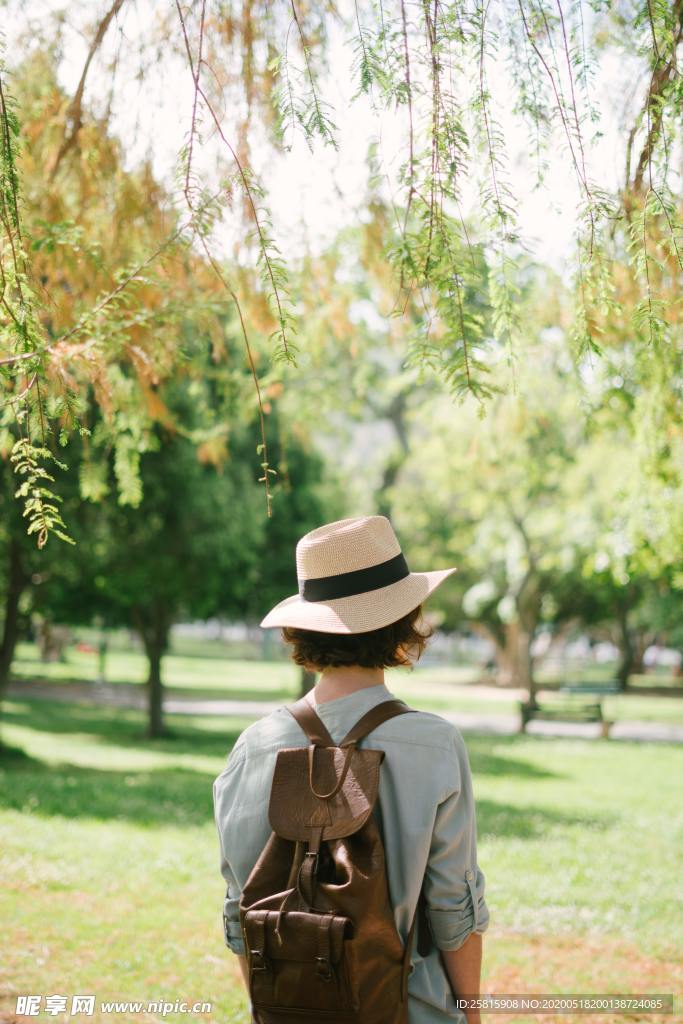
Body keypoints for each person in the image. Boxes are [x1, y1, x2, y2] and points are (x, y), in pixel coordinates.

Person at [213, 515, 490, 1023]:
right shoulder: (435, 745)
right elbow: (453, 910)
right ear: (401, 620)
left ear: (304, 628)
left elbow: (241, 913)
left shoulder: (254, 748)